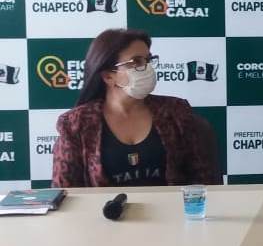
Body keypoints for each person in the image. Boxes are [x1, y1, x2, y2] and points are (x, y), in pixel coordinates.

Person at [51, 28, 220, 187]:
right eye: (137, 61)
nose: (147, 68)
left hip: (172, 208)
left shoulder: (175, 112)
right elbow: (65, 191)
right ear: (109, 76)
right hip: (104, 210)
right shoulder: (75, 124)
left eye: (148, 60)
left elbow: (204, 181)